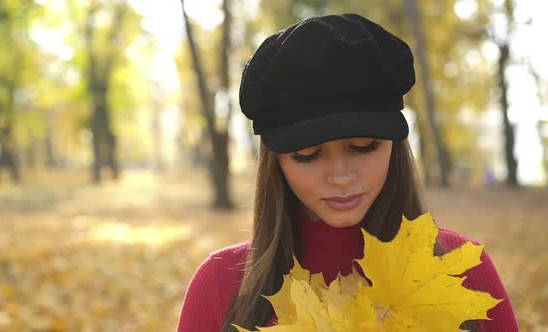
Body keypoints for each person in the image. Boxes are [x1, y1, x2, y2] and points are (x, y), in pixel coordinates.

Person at [177, 13, 518, 332]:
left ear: (394, 145)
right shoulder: (221, 285)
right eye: (308, 155)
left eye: (365, 146)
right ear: (276, 161)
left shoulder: (461, 271)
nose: (340, 177)